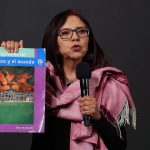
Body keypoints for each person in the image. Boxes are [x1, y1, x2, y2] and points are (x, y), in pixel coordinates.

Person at [1, 9, 136, 150]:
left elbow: (120, 146)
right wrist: (10, 59)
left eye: (81, 31)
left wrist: (98, 117)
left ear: (89, 41)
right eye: (65, 33)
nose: (75, 37)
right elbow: (11, 109)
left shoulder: (107, 85)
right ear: (55, 43)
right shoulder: (40, 80)